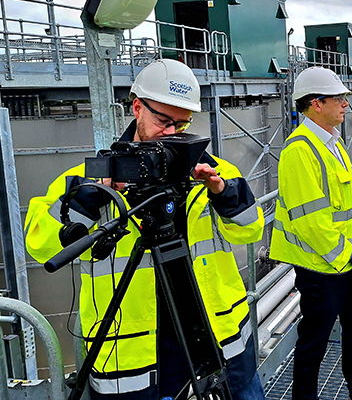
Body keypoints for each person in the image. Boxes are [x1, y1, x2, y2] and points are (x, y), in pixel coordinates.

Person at [25, 59, 266, 400]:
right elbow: (41, 246)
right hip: (135, 357)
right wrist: (91, 198)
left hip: (218, 341)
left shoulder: (212, 169)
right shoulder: (93, 177)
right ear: (137, 107)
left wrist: (223, 193)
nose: (171, 133)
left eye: (181, 124)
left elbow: (251, 229)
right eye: (163, 120)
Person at [269, 66, 352, 400]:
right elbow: (309, 221)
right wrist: (350, 253)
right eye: (339, 98)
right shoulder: (299, 151)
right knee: (313, 343)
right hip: (322, 270)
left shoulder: (333, 143)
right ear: (316, 103)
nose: (346, 104)